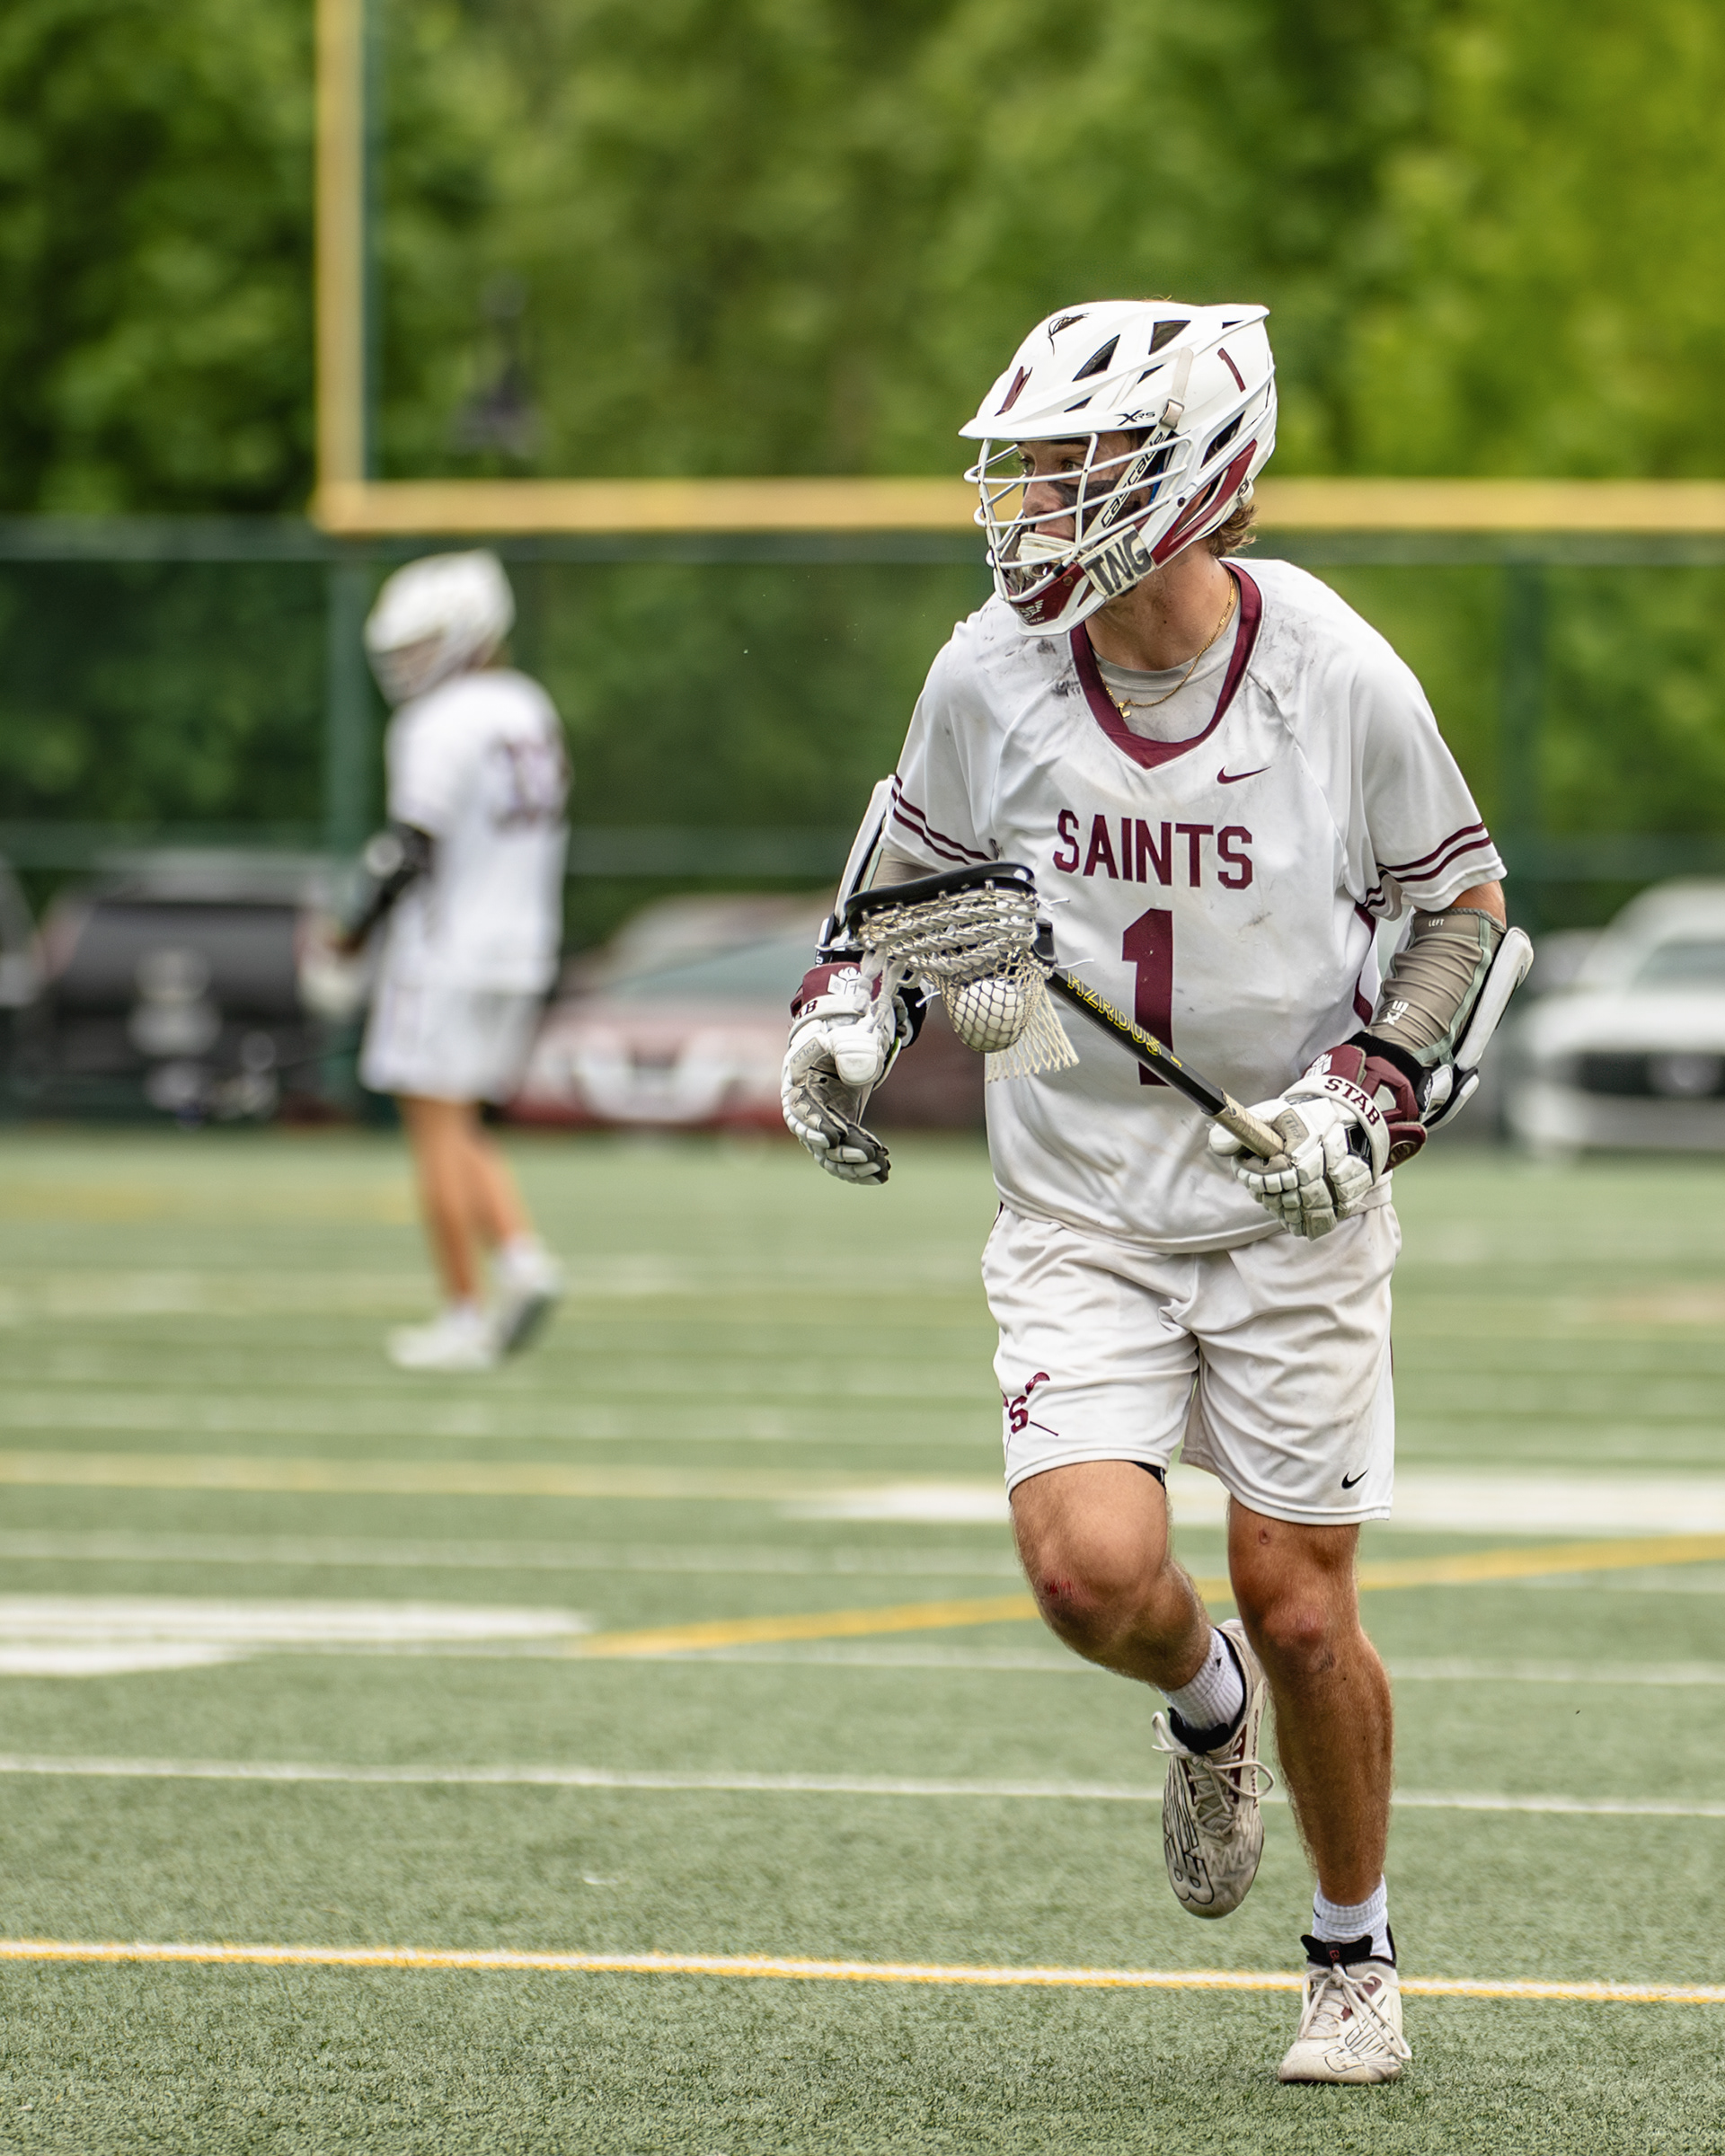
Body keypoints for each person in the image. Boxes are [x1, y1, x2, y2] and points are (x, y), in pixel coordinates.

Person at [781, 302, 1525, 2082]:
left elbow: (1465, 912)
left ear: (1196, 477)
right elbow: (909, 889)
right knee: (1088, 1575)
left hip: (1287, 1205)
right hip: (1082, 1203)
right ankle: (1206, 1707)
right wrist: (852, 1016)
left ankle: (1351, 1949)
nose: (1033, 504)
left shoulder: (1334, 673)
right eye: (1029, 469)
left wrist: (1373, 1091)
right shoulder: (990, 671)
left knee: (1304, 1603)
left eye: (1075, 469)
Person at [341, 549, 569, 1373]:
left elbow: (408, 850)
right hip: (523, 945)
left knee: (433, 1127)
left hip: (445, 950)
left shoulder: (435, 722)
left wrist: (348, 939)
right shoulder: (528, 704)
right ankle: (520, 1259)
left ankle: (466, 1310)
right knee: (459, 1120)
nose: (406, 663)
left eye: (421, 644)